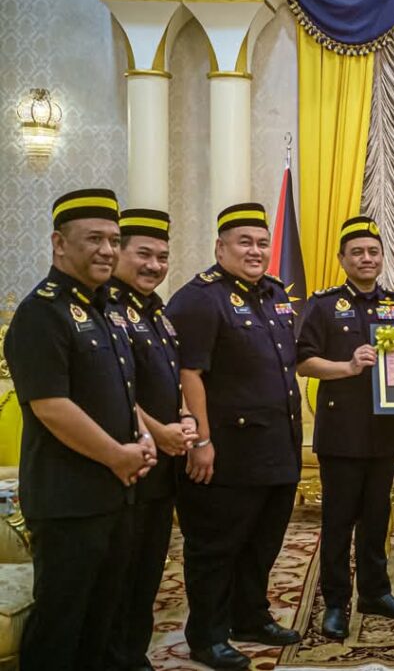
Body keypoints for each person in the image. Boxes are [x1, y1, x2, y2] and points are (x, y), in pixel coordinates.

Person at [4, 189, 157, 671]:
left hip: (116, 493)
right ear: (59, 243)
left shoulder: (107, 307)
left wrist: (142, 436)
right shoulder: (41, 313)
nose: (108, 250)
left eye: (114, 239)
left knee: (102, 621)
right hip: (68, 500)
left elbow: (121, 389)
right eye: (94, 239)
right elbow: (51, 406)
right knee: (62, 625)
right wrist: (116, 454)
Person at [166, 203, 303, 669]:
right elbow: (189, 373)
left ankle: (250, 616)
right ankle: (207, 635)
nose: (255, 250)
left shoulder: (274, 293)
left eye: (262, 242)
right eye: (244, 242)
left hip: (276, 448)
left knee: (262, 542)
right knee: (216, 547)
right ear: (220, 247)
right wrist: (201, 441)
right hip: (226, 453)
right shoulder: (200, 299)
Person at [297, 216, 394, 641]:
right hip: (342, 431)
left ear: (382, 257)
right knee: (338, 521)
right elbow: (304, 361)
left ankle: (375, 592)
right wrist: (347, 367)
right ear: (342, 259)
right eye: (357, 252)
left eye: (373, 251)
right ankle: (335, 603)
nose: (366, 258)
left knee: (376, 516)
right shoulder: (323, 305)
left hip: (384, 431)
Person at [107, 208, 198, 670]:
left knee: (148, 569)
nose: (154, 265)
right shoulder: (106, 308)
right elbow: (112, 388)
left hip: (162, 464)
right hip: (125, 462)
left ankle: (133, 655)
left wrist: (184, 417)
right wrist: (157, 431)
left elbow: (168, 378)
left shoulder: (156, 310)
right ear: (117, 252)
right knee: (119, 574)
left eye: (162, 256)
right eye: (143, 254)